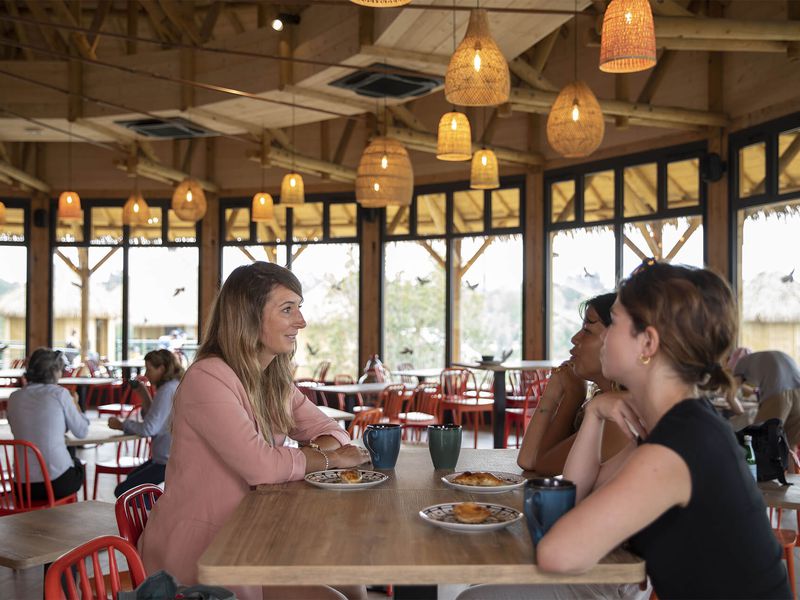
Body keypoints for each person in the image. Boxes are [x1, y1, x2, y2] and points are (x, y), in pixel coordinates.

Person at [534, 262, 789, 598]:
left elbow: (556, 554)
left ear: (648, 343)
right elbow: (572, 498)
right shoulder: (678, 427)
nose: (606, 334)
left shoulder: (679, 446)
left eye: (616, 322)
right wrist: (595, 411)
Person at [138, 262, 370, 600]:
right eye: (287, 309)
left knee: (353, 582)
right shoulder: (208, 378)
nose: (301, 322)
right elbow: (261, 467)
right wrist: (329, 459)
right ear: (248, 316)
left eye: (299, 309)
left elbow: (331, 430)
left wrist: (324, 453)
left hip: (252, 532)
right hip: (205, 549)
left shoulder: (270, 379)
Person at [517, 292, 630, 475]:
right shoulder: (603, 401)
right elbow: (528, 460)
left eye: (587, 330)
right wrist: (552, 394)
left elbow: (543, 466)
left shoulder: (618, 417)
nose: (575, 339)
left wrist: (572, 396)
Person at [6, 348, 88, 500]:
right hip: (55, 483)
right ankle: (67, 517)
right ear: (53, 371)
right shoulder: (59, 393)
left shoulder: (14, 397)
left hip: (22, 487)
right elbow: (81, 431)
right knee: (76, 463)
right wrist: (75, 405)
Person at [108, 349, 183, 497]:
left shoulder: (167, 390)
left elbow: (149, 428)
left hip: (166, 461)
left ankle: (158, 511)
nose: (146, 374)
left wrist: (123, 424)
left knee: (124, 492)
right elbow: (155, 420)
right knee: (131, 482)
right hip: (170, 457)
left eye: (149, 369)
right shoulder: (174, 386)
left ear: (161, 368)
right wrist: (143, 394)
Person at [732, 350, 800, 446]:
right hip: (798, 393)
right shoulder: (760, 359)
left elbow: (731, 394)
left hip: (779, 392)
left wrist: (741, 415)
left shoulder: (740, 363)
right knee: (789, 445)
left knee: (761, 441)